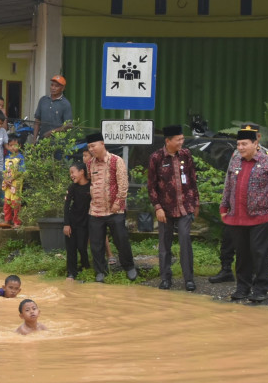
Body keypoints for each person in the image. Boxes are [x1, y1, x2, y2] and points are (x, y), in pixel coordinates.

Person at [220, 127, 268, 304]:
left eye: (244, 144)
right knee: (241, 254)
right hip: (237, 217)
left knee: (259, 253)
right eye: (238, 144)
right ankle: (242, 287)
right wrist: (224, 208)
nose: (240, 147)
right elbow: (228, 187)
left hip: (261, 217)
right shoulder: (235, 162)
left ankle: (260, 289)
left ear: (256, 144)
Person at [148, 124, 199, 291]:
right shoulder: (156, 158)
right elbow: (151, 186)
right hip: (165, 209)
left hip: (185, 207)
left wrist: (195, 203)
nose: (181, 142)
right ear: (168, 141)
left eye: (182, 139)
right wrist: (157, 207)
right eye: (178, 140)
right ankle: (165, 279)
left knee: (185, 240)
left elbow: (192, 180)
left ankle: (189, 279)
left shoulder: (186, 154)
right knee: (165, 244)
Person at [84, 132, 137, 282]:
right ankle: (101, 271)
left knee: (121, 239)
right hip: (95, 211)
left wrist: (118, 202)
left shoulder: (116, 160)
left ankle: (129, 267)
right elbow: (89, 181)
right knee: (96, 243)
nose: (91, 149)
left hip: (115, 210)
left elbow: (123, 184)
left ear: (102, 144)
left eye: (93, 146)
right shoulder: (89, 164)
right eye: (89, 147)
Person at [62, 162, 91, 280]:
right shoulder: (72, 187)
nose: (71, 175)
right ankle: (71, 273)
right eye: (70, 173)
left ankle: (86, 266)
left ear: (82, 172)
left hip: (85, 222)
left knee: (82, 247)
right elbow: (66, 206)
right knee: (71, 248)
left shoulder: (92, 186)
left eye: (73, 172)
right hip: (72, 222)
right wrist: (66, 224)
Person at [32, 75, 72, 141]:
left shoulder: (65, 104)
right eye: (52, 85)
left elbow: (68, 125)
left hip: (57, 142)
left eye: (56, 86)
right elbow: (37, 121)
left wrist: (51, 132)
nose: (53, 88)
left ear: (62, 88)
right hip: (42, 140)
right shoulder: (43, 100)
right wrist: (34, 140)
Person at [1, 138, 25, 226]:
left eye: (15, 145)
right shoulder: (7, 158)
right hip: (7, 184)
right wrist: (6, 179)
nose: (12, 147)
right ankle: (7, 220)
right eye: (10, 145)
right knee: (7, 202)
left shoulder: (20, 158)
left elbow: (22, 171)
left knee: (16, 203)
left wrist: (12, 179)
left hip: (16, 184)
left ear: (20, 146)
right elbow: (4, 170)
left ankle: (16, 222)